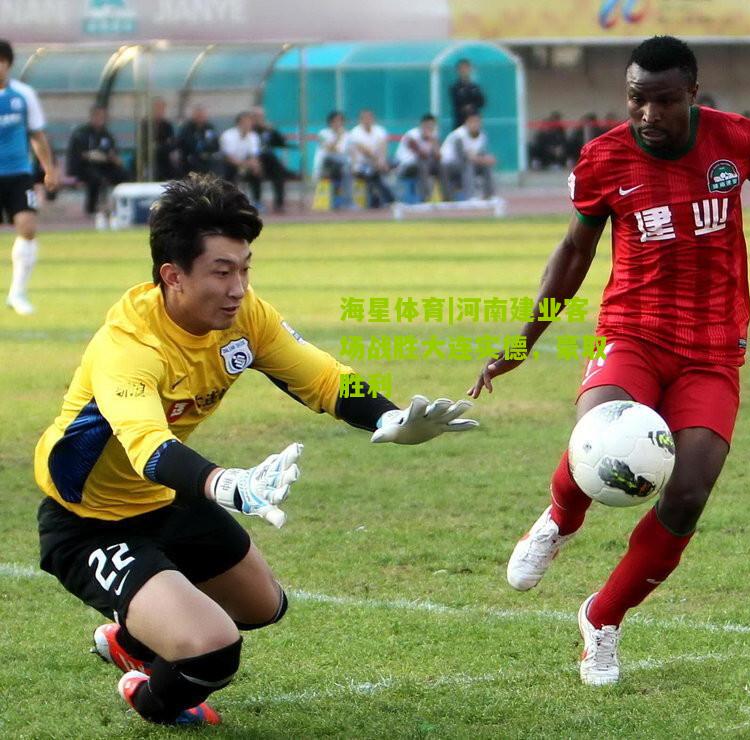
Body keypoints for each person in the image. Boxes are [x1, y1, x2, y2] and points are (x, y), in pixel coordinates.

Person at [468, 35, 750, 687]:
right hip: (635, 332)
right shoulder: (602, 157)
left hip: (714, 348)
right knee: (598, 438)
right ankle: (559, 519)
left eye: (664, 101)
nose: (650, 116)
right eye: (638, 100)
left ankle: (602, 619)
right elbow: (572, 257)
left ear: (692, 94)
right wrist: (523, 343)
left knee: (688, 492)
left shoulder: (738, 140)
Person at [35, 173, 477, 727]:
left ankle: (130, 638)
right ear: (172, 276)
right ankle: (149, 697)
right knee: (213, 650)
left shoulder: (246, 317)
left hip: (164, 498)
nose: (239, 287)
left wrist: (387, 416)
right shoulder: (128, 346)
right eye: (222, 272)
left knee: (263, 606)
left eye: (244, 268)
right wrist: (228, 484)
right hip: (89, 520)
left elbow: (322, 378)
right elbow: (149, 447)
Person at [0, 38, 58, 315]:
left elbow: (36, 134)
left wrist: (48, 168)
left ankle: (17, 293)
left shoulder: (23, 95)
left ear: (8, 64)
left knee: (27, 227)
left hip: (18, 173)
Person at [67, 104, 127, 227]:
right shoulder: (81, 133)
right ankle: (92, 209)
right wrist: (95, 156)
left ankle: (119, 208)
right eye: (98, 116)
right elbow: (80, 155)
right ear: (92, 116)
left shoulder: (107, 134)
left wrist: (112, 158)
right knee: (95, 178)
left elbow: (112, 153)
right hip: (84, 167)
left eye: (102, 117)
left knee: (123, 174)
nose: (100, 119)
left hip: (105, 166)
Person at [440, 111, 496, 201]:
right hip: (448, 165)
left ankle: (489, 195)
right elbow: (463, 156)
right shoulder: (458, 136)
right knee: (468, 165)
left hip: (467, 163)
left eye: (477, 122)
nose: (475, 124)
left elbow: (481, 154)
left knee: (486, 165)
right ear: (466, 123)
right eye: (472, 122)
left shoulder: (482, 136)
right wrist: (483, 159)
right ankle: (471, 196)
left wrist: (488, 159)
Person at [348, 109, 394, 208]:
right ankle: (388, 200)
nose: (367, 120)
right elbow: (365, 151)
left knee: (393, 164)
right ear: (360, 120)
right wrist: (378, 162)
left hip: (378, 163)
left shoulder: (380, 130)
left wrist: (382, 161)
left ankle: (383, 200)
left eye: (369, 118)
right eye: (365, 118)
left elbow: (383, 148)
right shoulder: (355, 132)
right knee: (372, 173)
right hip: (359, 165)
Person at [250, 106, 292, 213]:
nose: (258, 119)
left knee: (278, 171)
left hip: (269, 162)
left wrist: (272, 130)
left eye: (261, 116)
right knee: (255, 172)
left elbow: (281, 143)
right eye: (256, 116)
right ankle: (257, 202)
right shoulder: (249, 130)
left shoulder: (268, 129)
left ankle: (279, 203)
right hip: (252, 161)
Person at [394, 113, 441, 202]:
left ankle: (448, 198)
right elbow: (422, 154)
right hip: (404, 166)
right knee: (422, 163)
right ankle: (425, 198)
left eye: (432, 126)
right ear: (422, 125)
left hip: (423, 166)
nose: (430, 128)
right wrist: (430, 139)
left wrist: (433, 141)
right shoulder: (411, 135)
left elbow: (438, 157)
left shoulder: (433, 136)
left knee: (441, 165)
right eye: (428, 126)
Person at [219, 111, 263, 205]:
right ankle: (229, 201)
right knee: (229, 171)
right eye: (245, 122)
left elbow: (253, 154)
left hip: (245, 164)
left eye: (250, 122)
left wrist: (254, 165)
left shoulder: (253, 136)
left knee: (257, 171)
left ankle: (257, 201)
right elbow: (228, 157)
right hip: (230, 164)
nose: (248, 124)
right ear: (239, 123)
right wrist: (245, 164)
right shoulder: (228, 135)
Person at [313, 110, 353, 209]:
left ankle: (346, 201)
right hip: (325, 165)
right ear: (330, 122)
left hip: (340, 165)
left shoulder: (347, 135)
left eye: (340, 121)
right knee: (340, 165)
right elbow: (330, 148)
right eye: (335, 121)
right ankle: (343, 201)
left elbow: (348, 152)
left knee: (347, 168)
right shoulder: (323, 133)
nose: (338, 124)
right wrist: (338, 136)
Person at [139, 96, 179, 181]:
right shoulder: (145, 124)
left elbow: (172, 143)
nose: (159, 111)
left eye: (162, 109)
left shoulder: (167, 125)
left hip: (164, 157)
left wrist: (161, 146)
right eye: (157, 108)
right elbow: (144, 143)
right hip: (149, 157)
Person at [177, 104, 221, 176]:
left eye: (202, 115)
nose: (200, 117)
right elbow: (184, 143)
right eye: (198, 115)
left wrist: (207, 151)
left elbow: (214, 144)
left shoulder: (209, 128)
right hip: (190, 157)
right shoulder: (187, 128)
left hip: (207, 157)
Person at [450, 59, 486, 130]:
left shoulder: (475, 87)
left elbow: (482, 102)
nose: (464, 71)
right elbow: (458, 102)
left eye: (466, 68)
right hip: (460, 122)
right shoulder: (455, 87)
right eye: (462, 68)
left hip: (474, 122)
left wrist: (472, 106)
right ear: (458, 71)